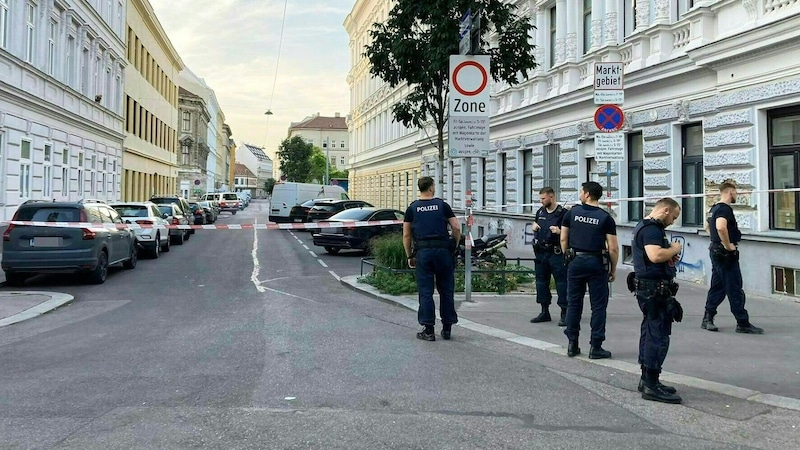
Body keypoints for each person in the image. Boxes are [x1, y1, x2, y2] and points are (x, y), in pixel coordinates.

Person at [631, 198, 683, 404]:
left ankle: (647, 379)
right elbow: (655, 255)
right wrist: (674, 249)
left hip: (649, 288)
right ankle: (651, 384)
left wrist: (668, 256)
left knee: (650, 331)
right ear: (665, 210)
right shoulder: (652, 229)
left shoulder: (644, 226)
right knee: (658, 335)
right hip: (654, 291)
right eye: (674, 217)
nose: (673, 221)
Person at [560, 181, 618, 359]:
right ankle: (596, 347)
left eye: (580, 191)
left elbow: (563, 239)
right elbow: (613, 248)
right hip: (596, 263)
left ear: (586, 194)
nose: (579, 194)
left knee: (574, 303)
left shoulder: (572, 213)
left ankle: (572, 344)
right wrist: (613, 269)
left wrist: (568, 257)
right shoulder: (606, 217)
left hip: (575, 261)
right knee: (598, 306)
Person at [403, 176, 462, 341]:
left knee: (426, 292)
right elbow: (456, 227)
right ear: (431, 188)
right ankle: (447, 328)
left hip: (423, 253)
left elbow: (406, 234)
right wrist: (455, 245)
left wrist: (409, 255)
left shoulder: (412, 208)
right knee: (446, 290)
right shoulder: (442, 206)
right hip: (443, 252)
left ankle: (428, 330)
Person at [702, 182, 764, 334]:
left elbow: (707, 226)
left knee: (718, 286)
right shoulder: (724, 209)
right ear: (730, 191)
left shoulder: (714, 208)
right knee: (734, 287)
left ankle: (707, 318)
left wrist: (715, 241)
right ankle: (742, 323)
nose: (737, 195)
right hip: (725, 254)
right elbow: (720, 226)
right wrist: (728, 245)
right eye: (736, 192)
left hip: (715, 251)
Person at [530, 187, 568, 326]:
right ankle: (544, 311)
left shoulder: (563, 213)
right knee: (541, 283)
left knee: (562, 283)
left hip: (556, 253)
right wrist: (534, 226)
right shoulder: (540, 212)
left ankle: (565, 312)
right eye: (540, 199)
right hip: (541, 253)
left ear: (551, 197)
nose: (541, 201)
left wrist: (559, 231)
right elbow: (536, 225)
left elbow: (571, 233)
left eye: (543, 199)